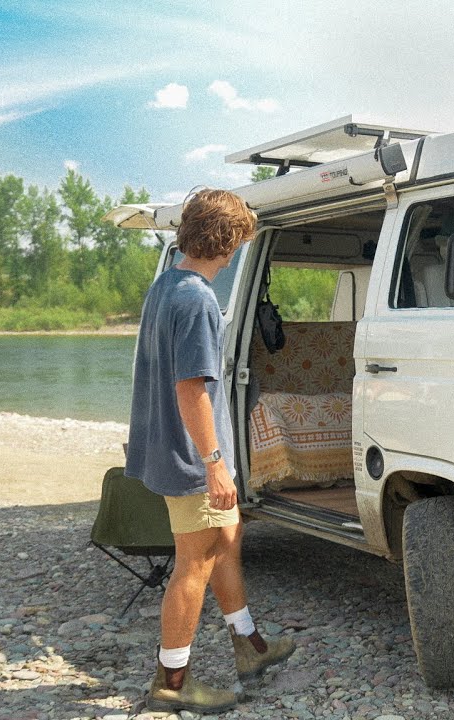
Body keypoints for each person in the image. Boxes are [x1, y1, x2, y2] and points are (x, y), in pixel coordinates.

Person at [125, 188, 294, 714]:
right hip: (193, 462)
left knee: (226, 540)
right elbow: (191, 388)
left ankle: (250, 648)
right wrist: (215, 466)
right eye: (239, 241)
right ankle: (172, 684)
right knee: (193, 564)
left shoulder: (165, 285)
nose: (238, 250)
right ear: (226, 241)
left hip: (173, 451)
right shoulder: (197, 297)